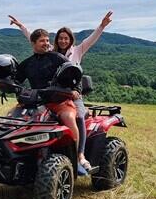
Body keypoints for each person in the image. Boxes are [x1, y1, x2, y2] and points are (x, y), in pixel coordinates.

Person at [9, 11, 114, 172]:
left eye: (66, 38)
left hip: (66, 96)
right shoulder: (41, 57)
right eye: (60, 38)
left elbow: (76, 73)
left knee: (75, 116)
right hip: (41, 98)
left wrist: (101, 26)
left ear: (70, 40)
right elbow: (32, 37)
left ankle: (78, 156)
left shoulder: (67, 55)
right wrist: (21, 26)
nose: (62, 40)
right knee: (14, 116)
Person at [13, 29, 82, 170]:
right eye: (42, 41)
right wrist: (15, 91)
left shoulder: (57, 58)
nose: (46, 43)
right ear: (33, 43)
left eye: (47, 40)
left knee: (69, 118)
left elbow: (75, 73)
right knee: (11, 117)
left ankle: (76, 159)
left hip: (59, 102)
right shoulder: (27, 63)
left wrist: (76, 90)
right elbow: (16, 81)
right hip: (35, 103)